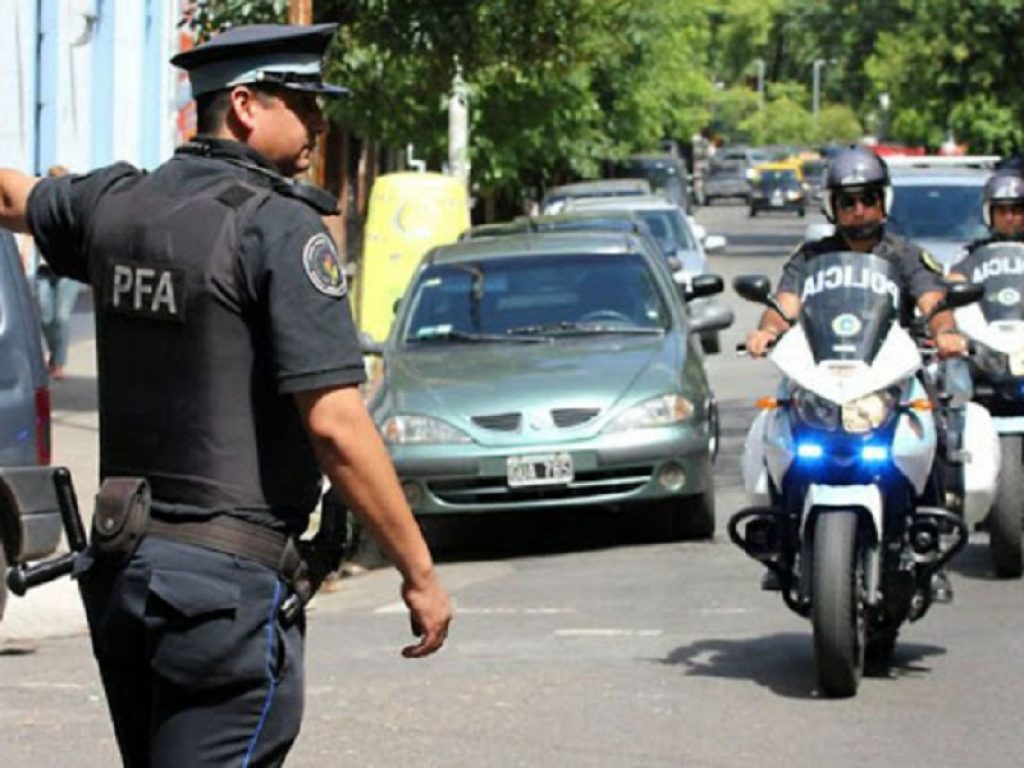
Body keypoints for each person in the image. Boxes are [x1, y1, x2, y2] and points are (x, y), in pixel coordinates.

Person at [0, 23, 451, 766]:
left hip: (124, 584)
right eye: (303, 102)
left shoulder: (117, 205)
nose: (318, 123)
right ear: (244, 106)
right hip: (222, 597)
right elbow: (337, 424)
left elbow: (16, 197)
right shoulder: (279, 230)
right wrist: (420, 574)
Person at [744, 146, 967, 599]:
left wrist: (946, 332)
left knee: (936, 425)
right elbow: (783, 306)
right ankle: (781, 539)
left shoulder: (904, 255)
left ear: (884, 201)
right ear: (833, 206)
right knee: (774, 426)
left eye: (867, 198)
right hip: (825, 373)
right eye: (847, 200)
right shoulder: (811, 257)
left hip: (886, 375)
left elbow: (933, 304)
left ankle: (931, 543)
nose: (858, 209)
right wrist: (765, 331)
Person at [17, 164, 80, 379]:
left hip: (68, 273)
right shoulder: (42, 205)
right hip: (45, 269)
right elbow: (30, 227)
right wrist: (25, 253)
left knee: (61, 317)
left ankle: (59, 362)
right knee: (45, 317)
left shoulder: (74, 207)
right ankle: (54, 354)